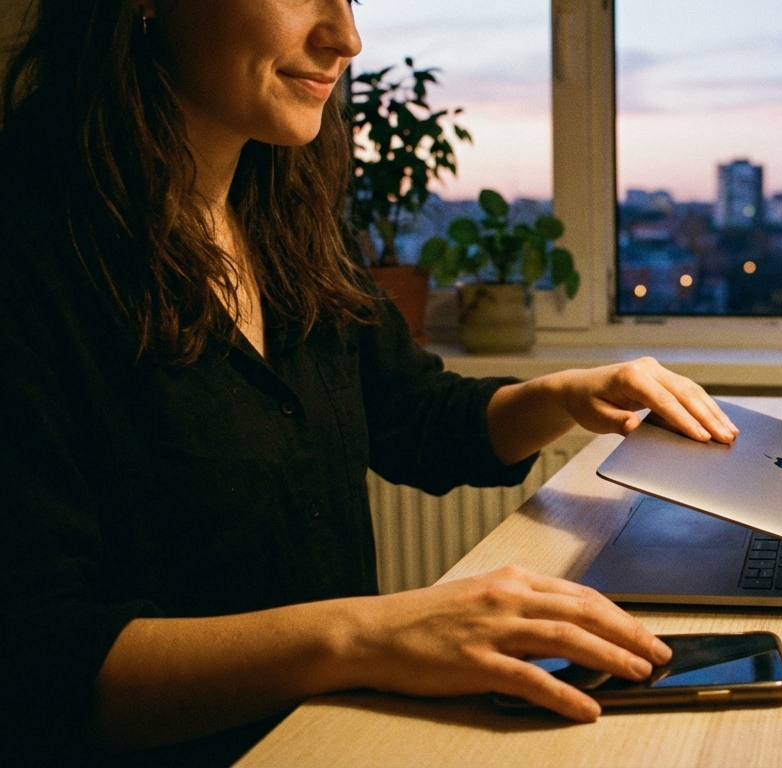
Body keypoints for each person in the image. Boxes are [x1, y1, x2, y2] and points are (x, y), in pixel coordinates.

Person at [0, 1, 739, 764]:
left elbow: (413, 416)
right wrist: (371, 634)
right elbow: (41, 673)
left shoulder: (285, 217)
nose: (345, 38)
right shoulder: (28, 252)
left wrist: (567, 395)